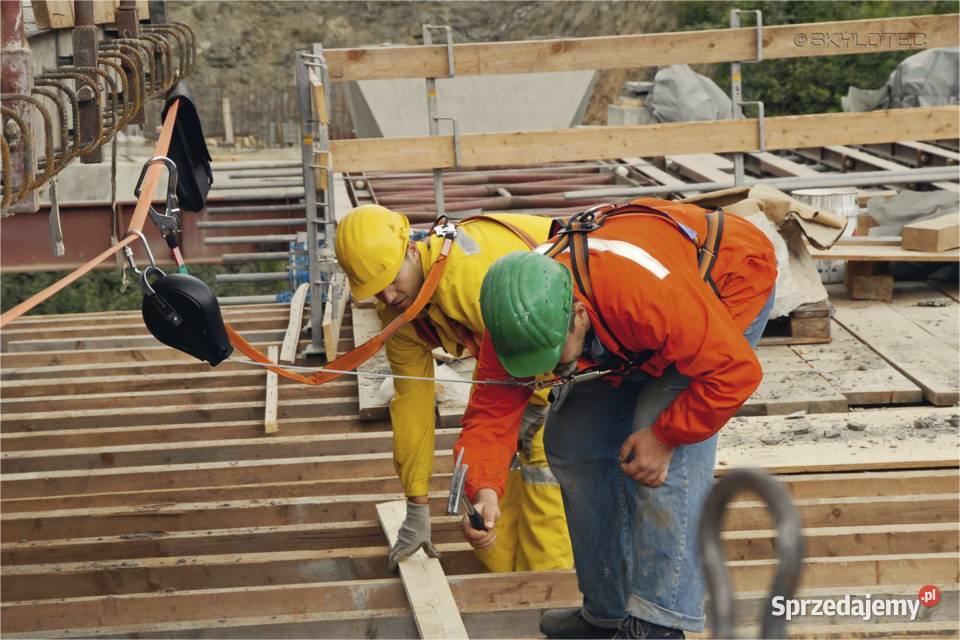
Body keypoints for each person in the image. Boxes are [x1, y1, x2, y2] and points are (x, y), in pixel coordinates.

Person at [453, 198, 777, 639]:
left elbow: (734, 371)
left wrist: (664, 436)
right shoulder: (516, 319)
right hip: (632, 328)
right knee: (573, 441)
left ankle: (661, 624)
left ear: (578, 316)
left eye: (554, 359)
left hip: (727, 281)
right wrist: (485, 491)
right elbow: (489, 415)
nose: (547, 372)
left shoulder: (643, 297)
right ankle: (606, 612)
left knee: (660, 456)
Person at [333, 204, 573, 573]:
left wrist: (537, 407)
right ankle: (502, 585)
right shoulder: (401, 318)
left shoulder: (470, 280)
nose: (389, 297)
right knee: (489, 490)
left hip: (563, 354)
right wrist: (416, 504)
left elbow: (541, 344)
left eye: (393, 280)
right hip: (513, 372)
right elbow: (412, 407)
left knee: (542, 466)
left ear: (411, 249)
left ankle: (550, 587)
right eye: (377, 291)